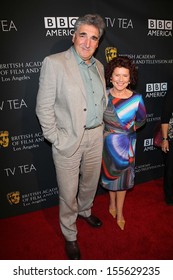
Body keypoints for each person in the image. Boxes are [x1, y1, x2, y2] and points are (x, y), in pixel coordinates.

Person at [36, 14, 107, 260]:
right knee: (68, 192)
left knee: (89, 183)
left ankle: (86, 210)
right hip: (68, 140)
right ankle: (70, 234)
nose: (88, 43)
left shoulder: (98, 66)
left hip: (96, 137)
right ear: (74, 36)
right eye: (83, 35)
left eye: (94, 38)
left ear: (98, 43)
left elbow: (99, 103)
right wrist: (55, 137)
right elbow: (43, 106)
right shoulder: (54, 63)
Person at [100, 56, 146, 230]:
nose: (120, 79)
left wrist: (126, 130)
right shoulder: (103, 95)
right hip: (107, 143)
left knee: (123, 182)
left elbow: (142, 120)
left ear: (130, 78)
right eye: (116, 75)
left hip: (126, 145)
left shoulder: (136, 98)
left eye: (124, 76)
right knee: (110, 178)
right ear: (110, 77)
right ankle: (111, 204)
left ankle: (120, 212)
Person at [161, 87, 173, 205]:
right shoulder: (172, 92)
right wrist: (165, 139)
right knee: (170, 170)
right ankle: (169, 197)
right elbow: (165, 117)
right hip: (172, 137)